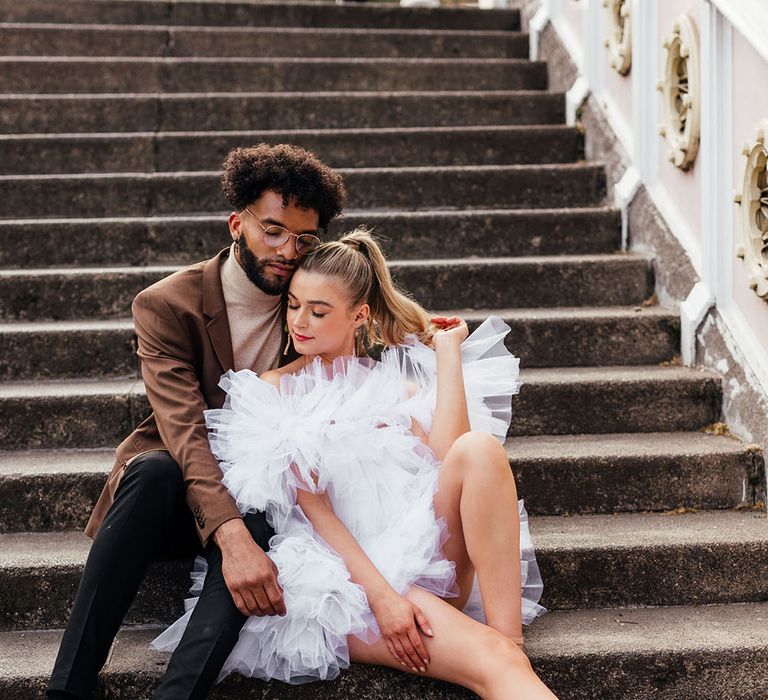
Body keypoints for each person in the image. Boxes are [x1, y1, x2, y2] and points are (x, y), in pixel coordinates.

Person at [151, 229, 558, 699]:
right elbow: (315, 514)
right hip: (346, 588)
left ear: (359, 315)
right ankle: (504, 653)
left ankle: (509, 636)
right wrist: (384, 599)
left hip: (426, 558)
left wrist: (448, 355)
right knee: (495, 664)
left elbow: (447, 463)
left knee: (480, 447)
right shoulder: (271, 392)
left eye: (318, 311)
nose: (299, 322)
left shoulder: (391, 386)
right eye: (294, 305)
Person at [46, 143, 347, 699]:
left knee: (260, 514)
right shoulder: (166, 304)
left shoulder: (310, 302)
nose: (288, 251)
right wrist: (230, 538)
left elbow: (368, 327)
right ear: (238, 223)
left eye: (306, 239)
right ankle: (67, 689)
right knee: (153, 472)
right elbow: (184, 430)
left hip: (263, 500)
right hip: (176, 494)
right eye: (274, 231)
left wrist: (433, 341)